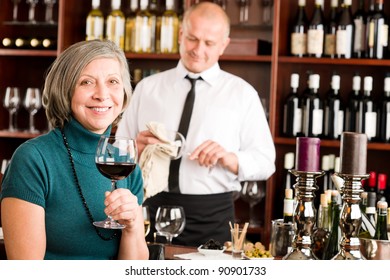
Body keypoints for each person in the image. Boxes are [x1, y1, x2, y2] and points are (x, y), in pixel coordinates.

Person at [116, 2, 276, 246]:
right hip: (148, 209)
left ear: (223, 45)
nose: (198, 49)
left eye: (209, 43)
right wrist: (134, 149)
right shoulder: (147, 89)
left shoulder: (242, 94)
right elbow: (117, 152)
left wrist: (229, 158)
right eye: (192, 38)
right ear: (181, 34)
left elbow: (266, 162)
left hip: (212, 216)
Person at [0, 40, 148, 260]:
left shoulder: (127, 165)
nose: (102, 94)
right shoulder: (33, 159)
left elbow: (132, 271)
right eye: (87, 82)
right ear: (65, 90)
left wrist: (133, 225)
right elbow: (25, 270)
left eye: (113, 81)